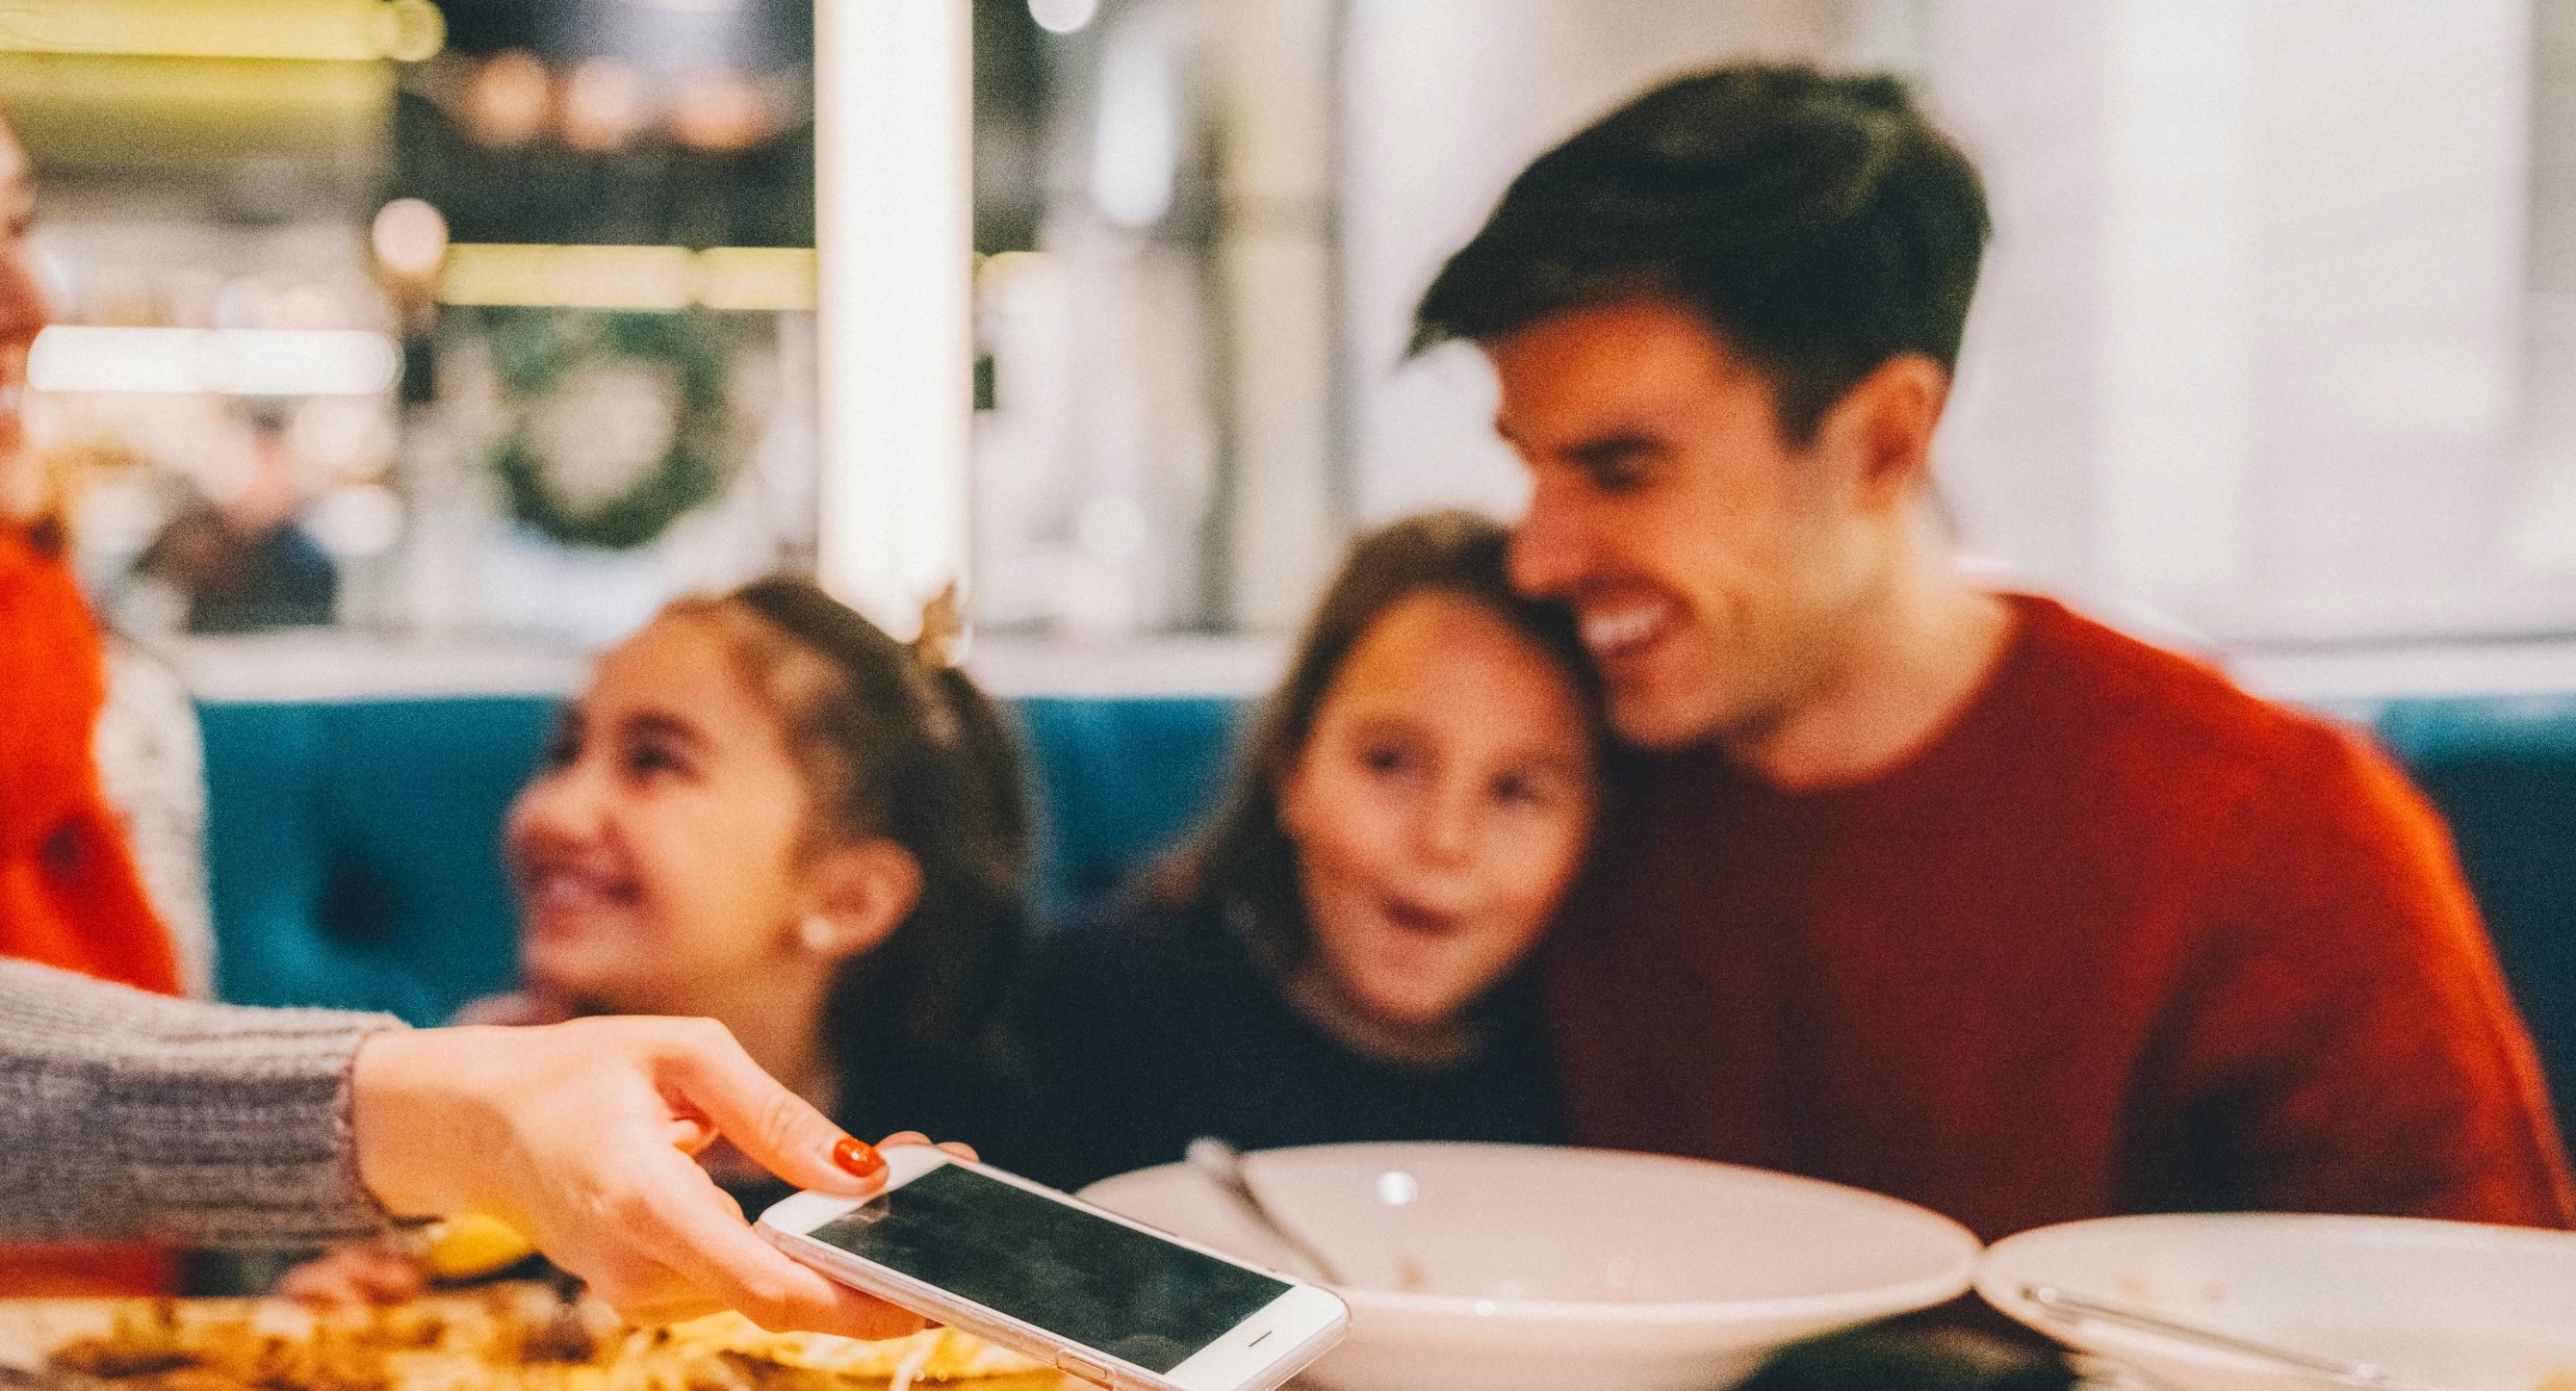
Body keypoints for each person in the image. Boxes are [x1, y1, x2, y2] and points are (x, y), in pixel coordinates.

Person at [0, 1, 908, 1391]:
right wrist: (417, 1108)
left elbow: (128, 1238)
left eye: (19, 222)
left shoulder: (113, 709)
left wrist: (329, 1267)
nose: (21, 294)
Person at [1410, 64, 2576, 1241]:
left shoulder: (2268, 833)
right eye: (1529, 468)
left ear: (1881, 440)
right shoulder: (1538, 775)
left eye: (1620, 471)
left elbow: (2472, 1370)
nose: (1537, 559)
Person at [284, 578, 1035, 1301]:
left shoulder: (962, 1151)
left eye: (655, 761)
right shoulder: (468, 1105)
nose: (554, 812)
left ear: (847, 898)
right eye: (565, 752)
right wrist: (349, 1307)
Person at [1009, 513, 1596, 1194]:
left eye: (1517, 791)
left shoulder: (1603, 1079)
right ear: (1292, 768)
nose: (1445, 841)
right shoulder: (1094, 1012)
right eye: (1390, 762)